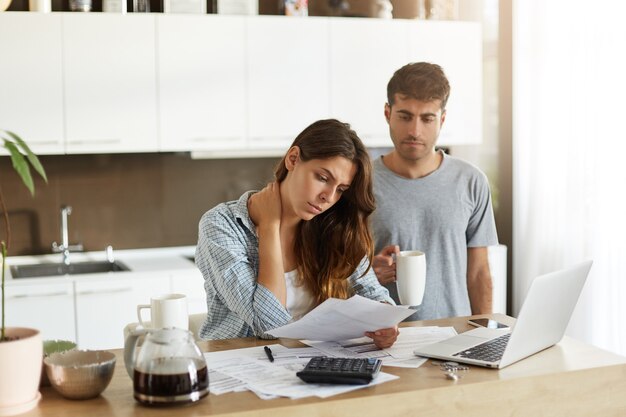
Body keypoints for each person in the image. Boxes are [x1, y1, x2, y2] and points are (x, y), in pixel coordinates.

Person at [195, 119, 399, 348]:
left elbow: (372, 292)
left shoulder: (334, 226)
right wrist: (270, 226)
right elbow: (269, 327)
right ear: (293, 159)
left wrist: (387, 322)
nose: (329, 197)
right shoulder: (221, 225)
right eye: (322, 178)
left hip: (312, 367)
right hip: (239, 367)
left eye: (341, 190)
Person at [371, 62, 498, 321]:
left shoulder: (471, 181)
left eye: (427, 118)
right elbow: (337, 272)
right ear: (387, 113)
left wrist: (485, 335)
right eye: (405, 116)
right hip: (382, 340)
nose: (415, 131)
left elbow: (478, 273)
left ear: (442, 119)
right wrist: (367, 273)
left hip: (454, 340)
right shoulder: (360, 183)